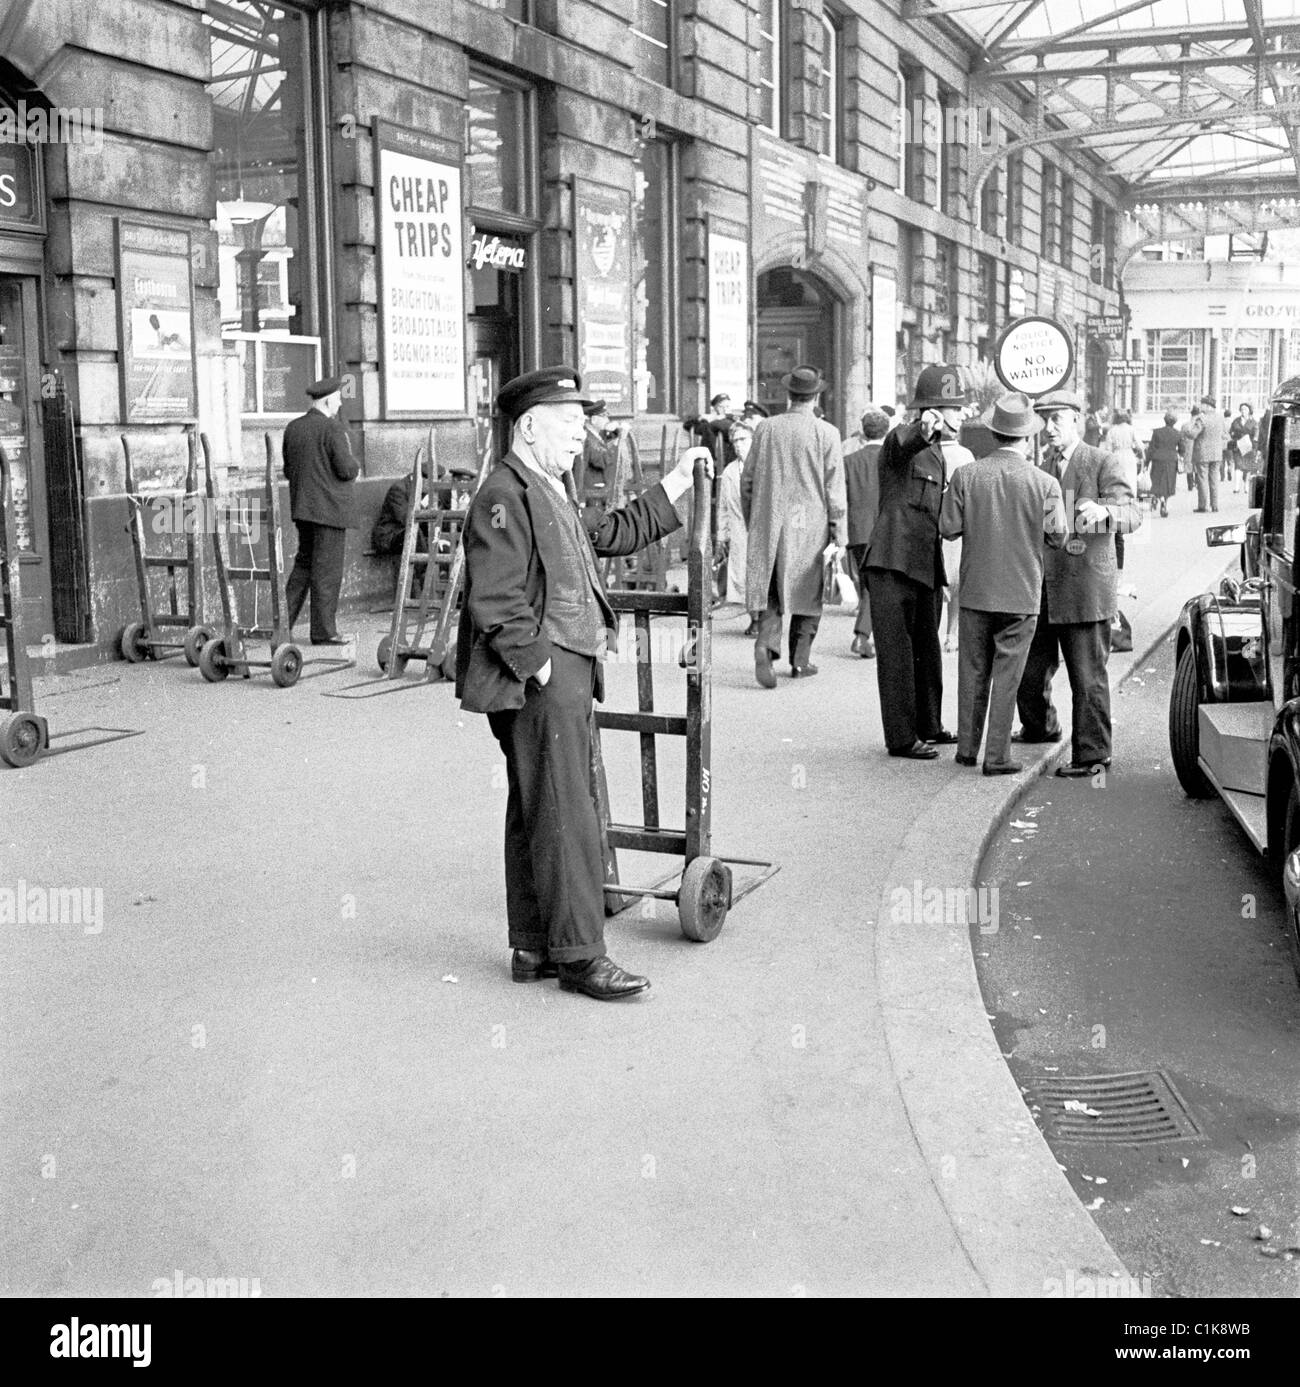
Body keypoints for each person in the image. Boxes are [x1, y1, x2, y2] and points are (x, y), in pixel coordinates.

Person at [455, 365, 703, 1002]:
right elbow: (495, 597)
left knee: (540, 806)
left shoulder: (546, 484)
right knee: (569, 809)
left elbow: (604, 536)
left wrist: (673, 485)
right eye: (570, 425)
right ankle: (582, 957)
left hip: (559, 667)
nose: (581, 437)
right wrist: (539, 664)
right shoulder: (504, 495)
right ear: (531, 426)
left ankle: (535, 946)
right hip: (541, 674)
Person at [1014, 389, 1143, 778]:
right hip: (1041, 589)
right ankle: (1041, 727)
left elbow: (1133, 514)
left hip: (1085, 588)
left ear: (1077, 420)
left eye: (1057, 419)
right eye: (1044, 419)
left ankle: (1092, 756)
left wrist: (1106, 510)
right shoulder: (1042, 464)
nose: (1049, 427)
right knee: (1030, 671)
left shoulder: (1102, 461)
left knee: (1087, 677)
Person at [940, 392, 1067, 775]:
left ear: (994, 434)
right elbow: (1059, 536)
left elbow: (948, 528)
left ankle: (967, 748)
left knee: (972, 670)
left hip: (976, 591)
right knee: (1008, 676)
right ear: (1027, 439)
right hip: (1021, 594)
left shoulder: (966, 475)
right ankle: (997, 756)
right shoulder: (1045, 484)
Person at [862, 363, 963, 759]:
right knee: (897, 655)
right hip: (890, 564)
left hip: (923, 565)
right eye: (954, 409)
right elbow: (904, 442)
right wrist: (923, 428)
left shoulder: (938, 453)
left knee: (927, 649)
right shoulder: (900, 442)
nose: (962, 414)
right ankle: (902, 737)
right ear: (933, 411)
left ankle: (929, 724)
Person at [741, 365, 847, 685]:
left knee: (773, 591)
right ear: (815, 397)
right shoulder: (827, 433)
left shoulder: (765, 428)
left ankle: (765, 647)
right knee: (807, 591)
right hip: (809, 523)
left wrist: (755, 520)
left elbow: (747, 481)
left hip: (771, 520)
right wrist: (839, 533)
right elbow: (834, 490)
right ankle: (800, 661)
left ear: (789, 395)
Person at [282, 375, 359, 646]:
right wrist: (355, 465)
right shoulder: (332, 429)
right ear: (327, 400)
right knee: (327, 572)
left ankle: (282, 627)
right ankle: (324, 632)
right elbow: (346, 469)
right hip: (330, 512)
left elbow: (288, 469)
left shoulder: (293, 428)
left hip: (303, 510)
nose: (340, 402)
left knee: (303, 567)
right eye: (338, 398)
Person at [843, 408, 889, 659]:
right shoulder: (892, 459)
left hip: (857, 530)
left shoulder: (849, 461)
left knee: (865, 582)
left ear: (862, 431)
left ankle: (866, 633)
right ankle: (862, 636)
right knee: (876, 585)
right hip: (884, 530)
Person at [940, 429, 976, 653]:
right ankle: (951, 634)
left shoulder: (924, 452)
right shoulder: (965, 455)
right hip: (957, 523)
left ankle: (935, 633)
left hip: (931, 525)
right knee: (956, 581)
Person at [716, 419, 753, 608]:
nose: (739, 445)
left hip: (759, 534)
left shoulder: (764, 467)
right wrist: (722, 536)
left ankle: (757, 619)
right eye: (735, 441)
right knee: (740, 577)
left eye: (743, 439)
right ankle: (753, 616)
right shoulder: (729, 471)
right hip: (738, 534)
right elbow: (723, 507)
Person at [573, 399, 620, 501]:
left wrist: (615, 433)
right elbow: (603, 461)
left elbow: (606, 441)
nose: (607, 420)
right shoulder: (588, 439)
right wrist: (615, 445)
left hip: (596, 489)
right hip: (593, 493)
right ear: (594, 420)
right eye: (604, 416)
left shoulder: (594, 436)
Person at [1189, 393, 1226, 512]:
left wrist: (1188, 428)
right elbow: (1224, 434)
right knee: (1214, 479)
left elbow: (1193, 434)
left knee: (1202, 479)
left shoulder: (1202, 419)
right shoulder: (1220, 418)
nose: (1201, 406)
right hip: (1217, 453)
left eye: (1202, 404)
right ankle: (1215, 505)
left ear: (1208, 406)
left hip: (1203, 454)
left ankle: (1203, 506)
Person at [1145, 411, 1182, 517]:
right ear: (1175, 422)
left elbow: (1151, 448)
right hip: (1171, 460)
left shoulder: (1157, 432)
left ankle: (1157, 497)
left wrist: (1147, 462)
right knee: (1168, 482)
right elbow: (1182, 449)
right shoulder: (1177, 433)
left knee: (1156, 481)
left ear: (1164, 420)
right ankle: (1164, 501)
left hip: (1157, 459)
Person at [1229, 403, 1259, 494]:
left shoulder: (1254, 422)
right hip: (1238, 446)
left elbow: (1256, 435)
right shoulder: (1236, 421)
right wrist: (1235, 437)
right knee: (1238, 466)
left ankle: (1246, 486)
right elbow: (1231, 432)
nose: (1243, 411)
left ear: (1249, 410)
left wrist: (1254, 446)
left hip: (1249, 447)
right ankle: (1237, 487)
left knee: (1247, 468)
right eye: (1241, 409)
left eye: (1245, 409)